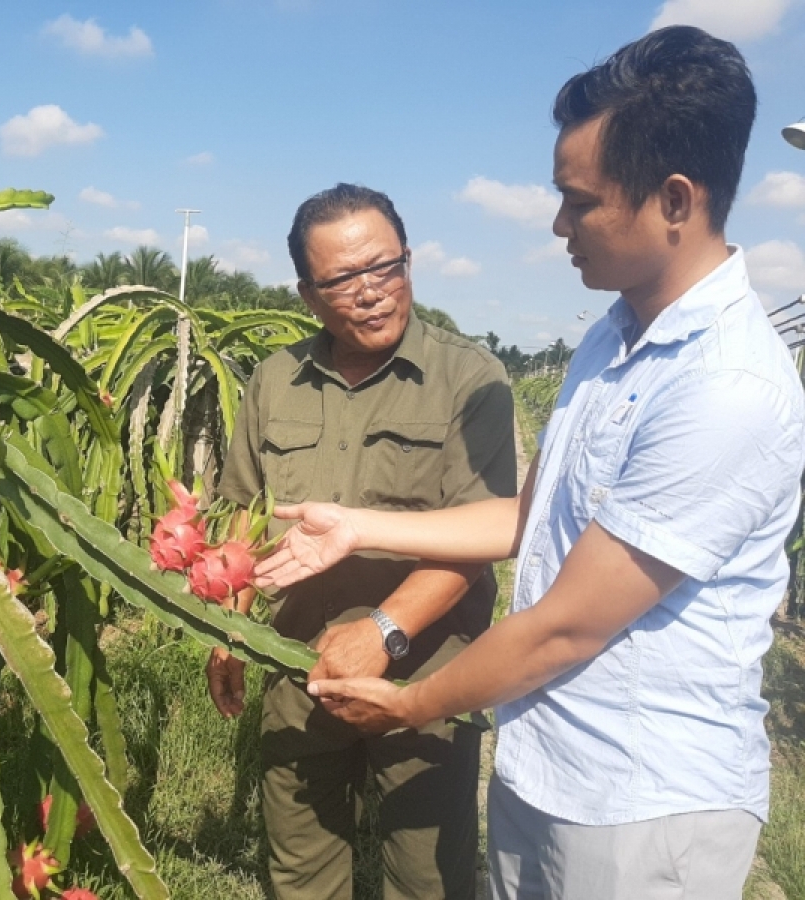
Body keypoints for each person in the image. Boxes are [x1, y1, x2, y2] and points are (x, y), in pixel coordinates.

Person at [255, 26, 805, 900]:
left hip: (641, 804)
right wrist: (354, 524)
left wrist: (409, 701)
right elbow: (527, 516)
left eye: (578, 200)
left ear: (673, 199)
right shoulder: (611, 342)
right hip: (549, 765)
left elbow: (566, 627)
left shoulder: (725, 388)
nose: (557, 224)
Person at [207, 182, 516, 899]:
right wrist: (225, 623)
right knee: (300, 863)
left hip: (427, 666)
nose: (372, 292)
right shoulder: (274, 382)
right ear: (308, 295)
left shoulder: (471, 380)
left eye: (388, 267)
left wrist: (383, 631)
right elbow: (239, 512)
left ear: (410, 261)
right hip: (296, 660)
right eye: (344, 279)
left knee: (427, 873)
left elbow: (479, 533)